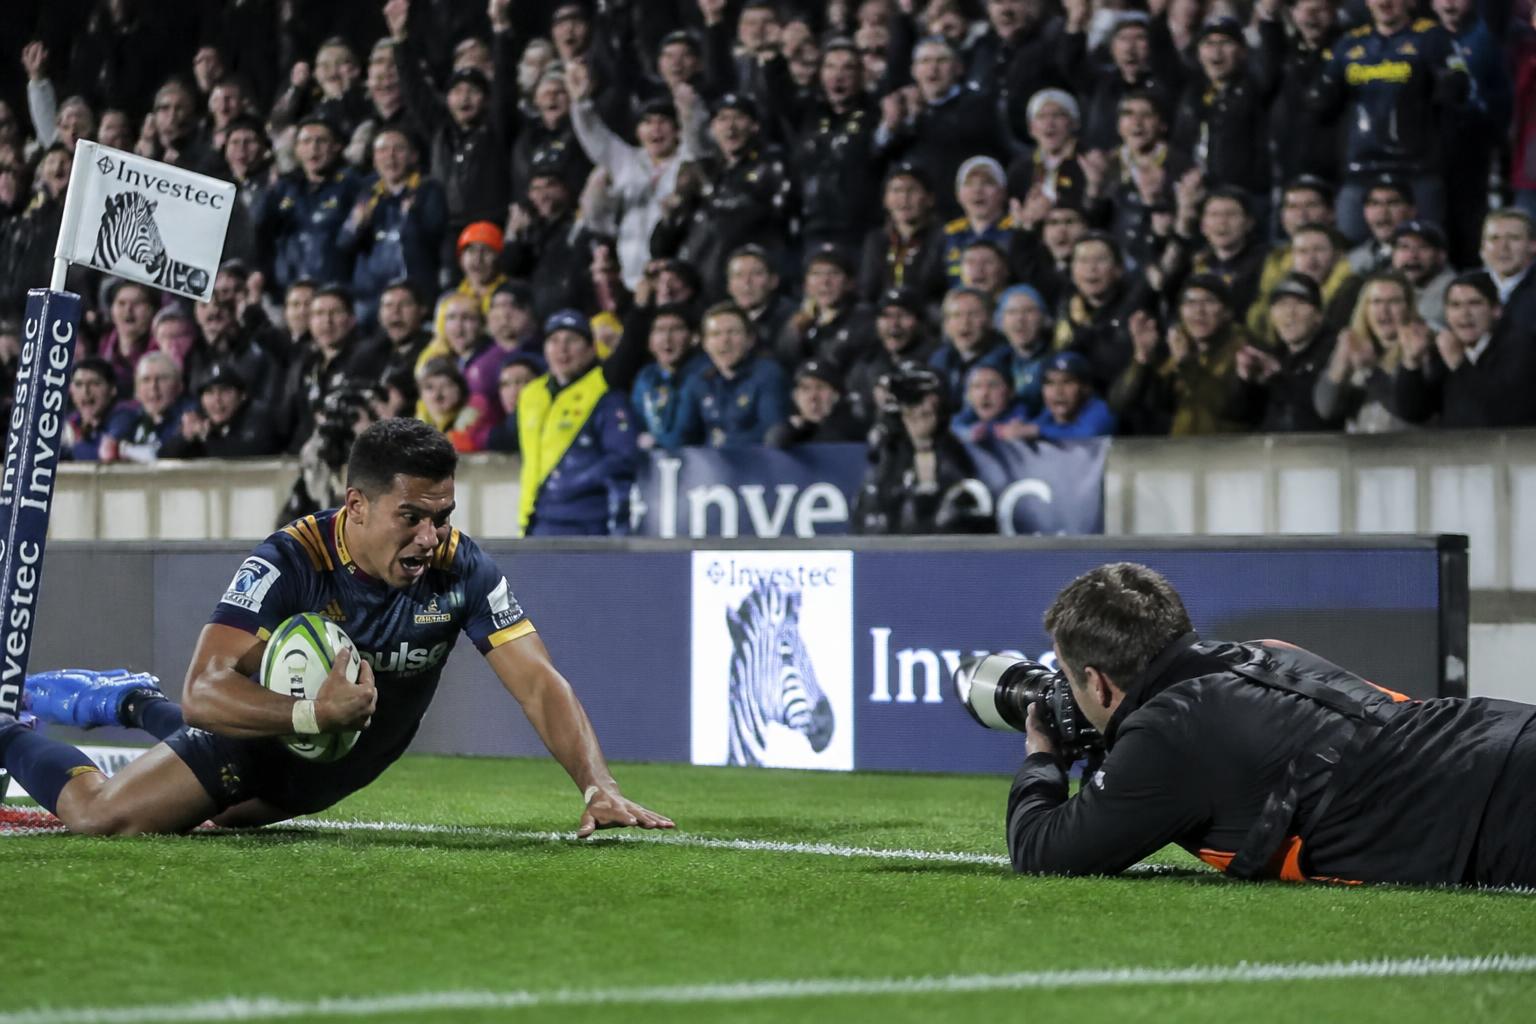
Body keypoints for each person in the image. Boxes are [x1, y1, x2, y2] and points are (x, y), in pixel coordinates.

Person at [4, 419, 672, 838]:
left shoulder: (463, 567)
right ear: (357, 504)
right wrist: (309, 713)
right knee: (104, 817)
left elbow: (539, 682)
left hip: (325, 771)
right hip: (252, 745)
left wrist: (597, 784)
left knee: (226, 819)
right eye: (412, 516)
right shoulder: (290, 560)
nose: (431, 536)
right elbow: (207, 692)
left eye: (442, 515)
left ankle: (132, 702)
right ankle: (10, 730)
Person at [1006, 561, 1536, 886]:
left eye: (1070, 681)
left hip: (1487, 811)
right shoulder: (1264, 651)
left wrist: (1042, 757)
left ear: (1097, 684)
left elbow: (1042, 851)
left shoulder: (1170, 730)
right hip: (1497, 730)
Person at [517, 310, 639, 536]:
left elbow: (622, 458)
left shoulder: (605, 394)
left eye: (572, 340)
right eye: (554, 341)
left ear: (591, 349)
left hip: (586, 522)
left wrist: (574, 482)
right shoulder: (531, 394)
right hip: (537, 519)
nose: (562, 349)